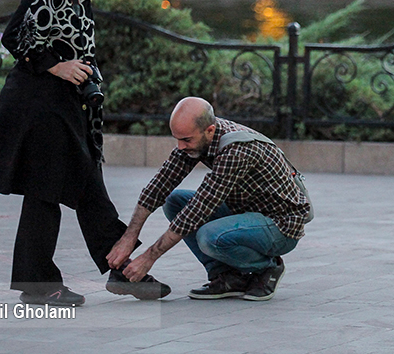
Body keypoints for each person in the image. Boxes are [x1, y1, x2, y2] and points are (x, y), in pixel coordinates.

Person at [0, 0, 170, 307]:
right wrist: (57, 66)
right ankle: (76, 279)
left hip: (63, 107)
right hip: (37, 106)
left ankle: (121, 271)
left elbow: (73, 45)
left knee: (84, 189)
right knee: (50, 192)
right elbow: (14, 36)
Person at [107, 97, 311, 302]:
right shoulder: (199, 136)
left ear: (210, 130)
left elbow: (198, 209)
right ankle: (227, 277)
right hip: (245, 212)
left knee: (209, 236)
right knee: (174, 200)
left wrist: (148, 258)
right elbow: (160, 185)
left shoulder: (236, 150)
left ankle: (268, 267)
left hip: (280, 225)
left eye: (186, 140)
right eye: (176, 139)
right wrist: (128, 238)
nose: (180, 146)